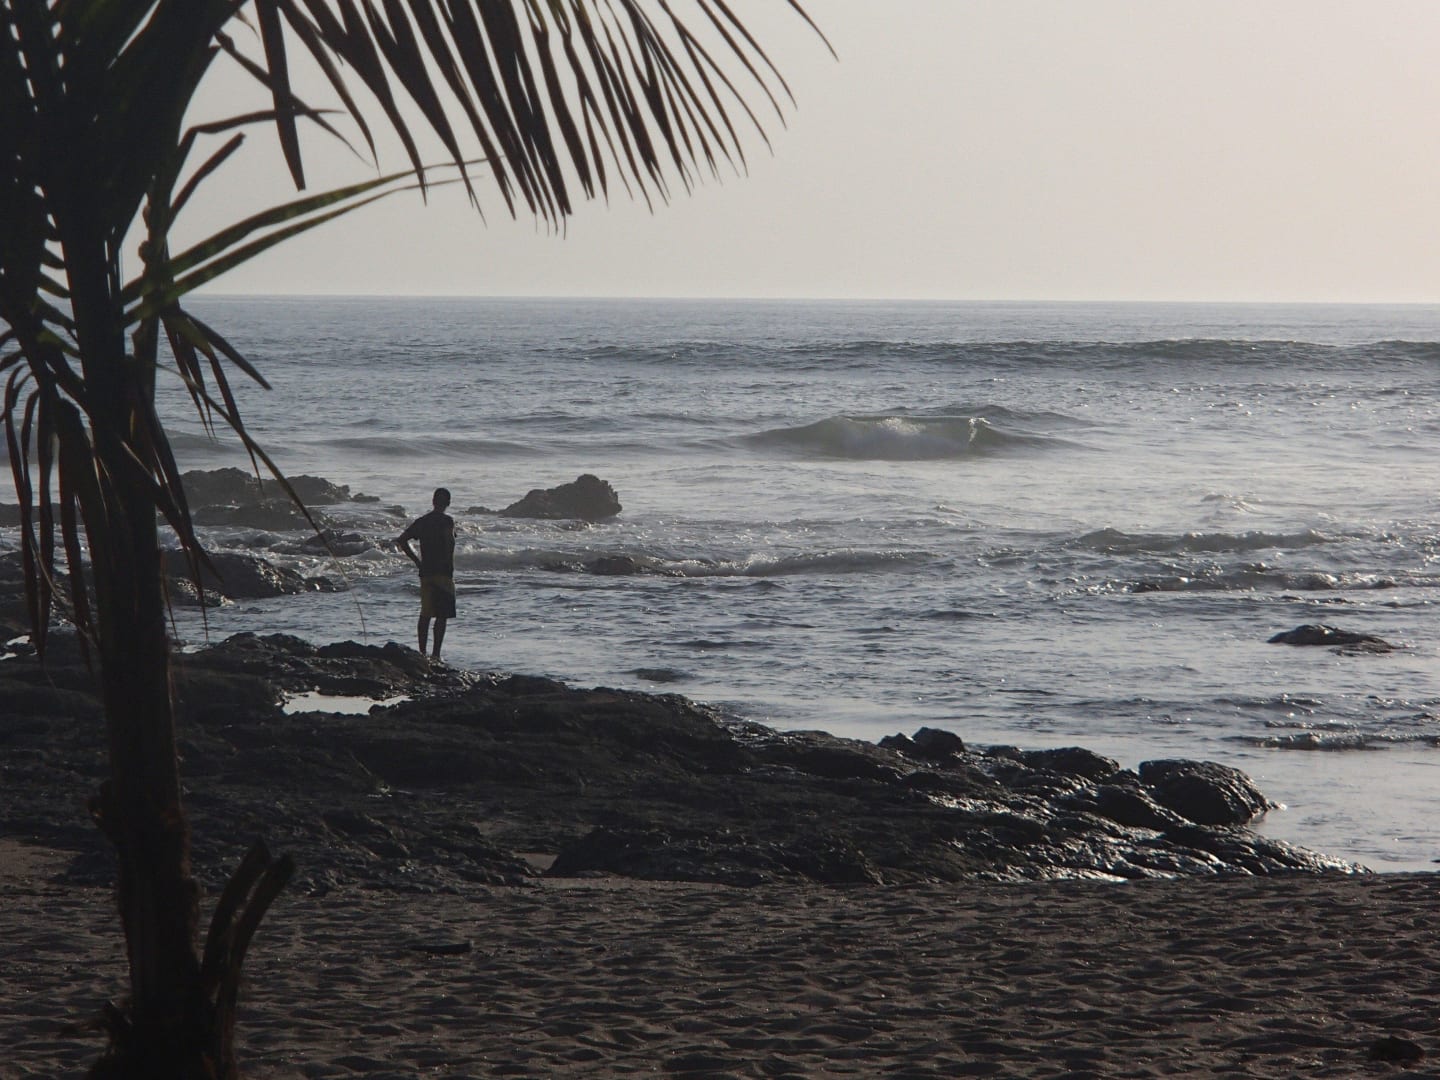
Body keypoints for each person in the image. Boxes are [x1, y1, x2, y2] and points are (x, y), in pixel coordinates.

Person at [397, 487, 456, 659]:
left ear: (433, 501)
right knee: (441, 615)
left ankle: (422, 653)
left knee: (426, 614)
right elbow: (449, 542)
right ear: (448, 503)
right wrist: (448, 563)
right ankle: (436, 654)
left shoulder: (423, 521)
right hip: (443, 572)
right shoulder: (447, 521)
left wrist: (417, 561)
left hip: (426, 571)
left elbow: (402, 540)